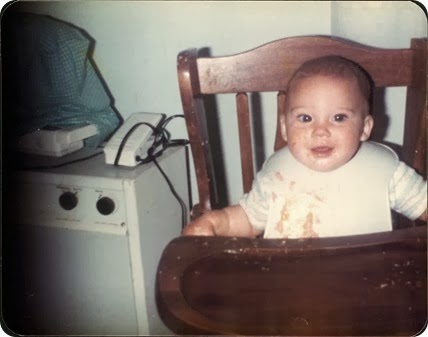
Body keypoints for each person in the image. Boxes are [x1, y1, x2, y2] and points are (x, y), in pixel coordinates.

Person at [182, 56, 427, 239]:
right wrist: (216, 222)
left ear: (365, 127)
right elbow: (247, 219)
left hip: (370, 286)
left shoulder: (387, 173)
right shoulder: (277, 177)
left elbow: (423, 204)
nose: (320, 131)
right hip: (293, 285)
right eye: (305, 118)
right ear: (285, 129)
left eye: (339, 118)